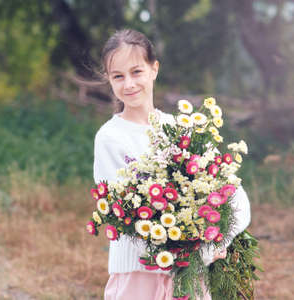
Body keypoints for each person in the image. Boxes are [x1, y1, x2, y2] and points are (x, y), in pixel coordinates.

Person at [92, 29, 251, 300]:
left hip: (191, 275)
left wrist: (215, 243)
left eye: (136, 72)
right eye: (118, 76)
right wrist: (180, 252)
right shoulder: (110, 137)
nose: (129, 84)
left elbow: (233, 194)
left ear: (154, 69)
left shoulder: (182, 128)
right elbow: (122, 216)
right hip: (137, 276)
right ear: (109, 80)